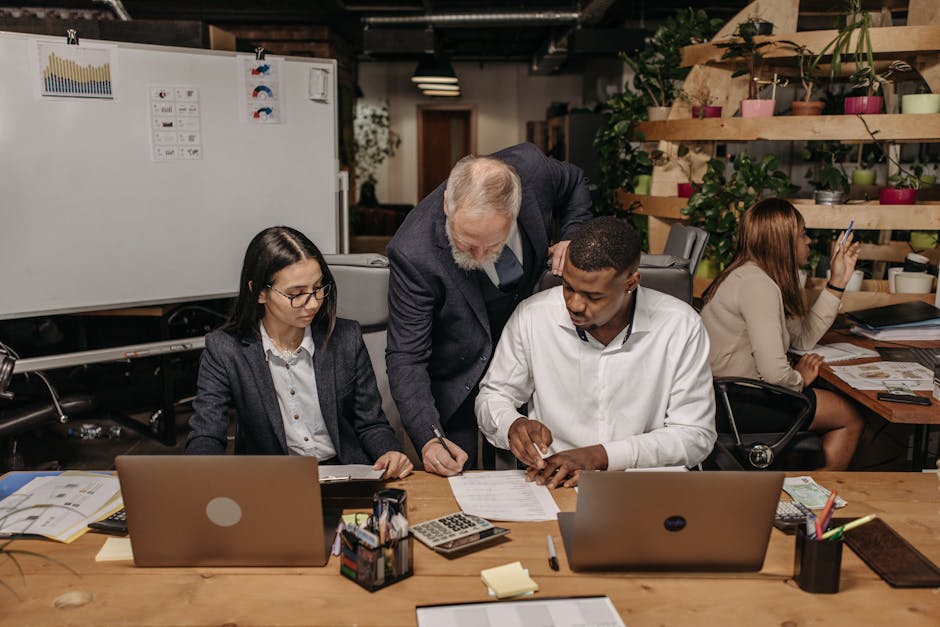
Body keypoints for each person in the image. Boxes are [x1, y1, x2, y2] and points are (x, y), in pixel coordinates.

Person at [386, 142, 593, 475]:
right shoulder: (413, 251)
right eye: (467, 242)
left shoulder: (533, 171)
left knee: (534, 467)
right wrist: (428, 437)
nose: (479, 257)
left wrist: (573, 236)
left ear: (515, 211)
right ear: (447, 205)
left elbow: (575, 184)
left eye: (493, 244)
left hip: (529, 356)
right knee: (457, 475)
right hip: (457, 369)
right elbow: (406, 355)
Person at [475, 217, 717, 488]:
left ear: (631, 283)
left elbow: (695, 435)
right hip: (554, 485)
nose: (575, 305)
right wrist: (511, 423)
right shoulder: (533, 316)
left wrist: (601, 457)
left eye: (593, 296)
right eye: (568, 287)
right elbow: (493, 395)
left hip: (642, 487)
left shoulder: (680, 325)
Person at [186, 226, 412, 479]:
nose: (314, 302)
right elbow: (206, 434)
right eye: (296, 294)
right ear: (259, 292)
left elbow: (371, 424)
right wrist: (201, 476)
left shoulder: (345, 337)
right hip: (272, 482)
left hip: (346, 475)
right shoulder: (226, 349)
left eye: (318, 288)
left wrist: (389, 452)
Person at [700, 198, 864, 471]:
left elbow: (802, 337)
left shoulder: (752, 276)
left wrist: (838, 281)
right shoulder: (758, 286)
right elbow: (775, 374)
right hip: (735, 402)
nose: (808, 241)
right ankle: (816, 502)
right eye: (802, 235)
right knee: (850, 417)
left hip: (725, 396)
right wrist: (799, 379)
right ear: (782, 242)